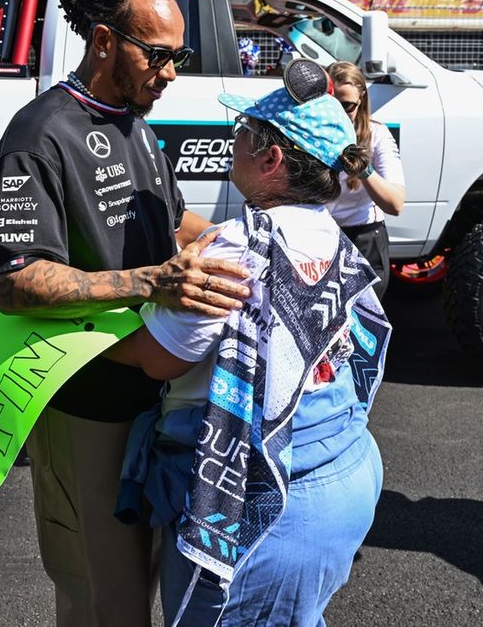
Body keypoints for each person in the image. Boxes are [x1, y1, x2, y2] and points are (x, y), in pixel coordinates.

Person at [0, 0, 251, 627]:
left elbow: (173, 219)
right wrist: (150, 281)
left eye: (177, 58)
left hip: (156, 395)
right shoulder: (38, 135)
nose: (169, 73)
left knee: (145, 574)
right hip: (88, 404)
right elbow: (17, 281)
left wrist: (248, 239)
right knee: (104, 592)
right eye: (156, 54)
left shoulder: (135, 123)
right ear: (104, 41)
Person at [112, 59, 389, 625]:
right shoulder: (331, 236)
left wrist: (69, 325)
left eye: (241, 132)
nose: (231, 141)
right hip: (344, 474)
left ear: (271, 157)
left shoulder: (239, 250)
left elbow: (157, 359)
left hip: (265, 504)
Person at [325, 61, 405, 299]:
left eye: (347, 106)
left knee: (363, 326)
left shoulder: (377, 135)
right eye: (331, 105)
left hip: (362, 238)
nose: (338, 114)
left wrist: (364, 171)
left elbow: (396, 203)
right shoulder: (309, 133)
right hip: (321, 235)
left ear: (362, 100)